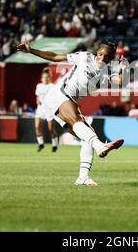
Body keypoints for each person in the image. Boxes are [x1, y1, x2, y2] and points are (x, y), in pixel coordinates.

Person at [16, 40, 124, 186]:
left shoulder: (108, 71)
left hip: (69, 100)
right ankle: (100, 146)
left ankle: (83, 177)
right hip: (59, 94)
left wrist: (121, 68)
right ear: (96, 52)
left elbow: (119, 81)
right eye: (100, 54)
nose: (101, 59)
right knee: (79, 122)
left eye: (106, 57)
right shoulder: (84, 57)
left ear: (110, 59)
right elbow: (55, 57)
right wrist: (31, 50)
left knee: (87, 135)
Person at [34, 69, 59, 152]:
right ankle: (41, 144)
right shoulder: (39, 86)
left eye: (47, 77)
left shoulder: (52, 86)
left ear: (49, 78)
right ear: (41, 78)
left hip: (49, 110)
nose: (45, 79)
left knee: (51, 129)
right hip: (40, 109)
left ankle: (55, 144)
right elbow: (37, 97)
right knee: (37, 127)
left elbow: (56, 98)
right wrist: (37, 101)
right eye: (44, 77)